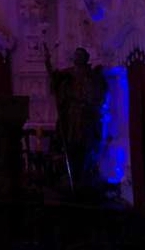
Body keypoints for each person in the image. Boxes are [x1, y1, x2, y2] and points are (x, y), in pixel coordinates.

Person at [49, 48, 108, 192]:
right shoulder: (69, 73)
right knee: (71, 144)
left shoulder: (91, 75)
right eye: (76, 56)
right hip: (72, 116)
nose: (77, 58)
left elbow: (98, 92)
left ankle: (84, 176)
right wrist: (51, 70)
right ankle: (72, 175)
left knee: (85, 145)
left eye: (80, 56)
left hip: (86, 116)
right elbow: (56, 81)